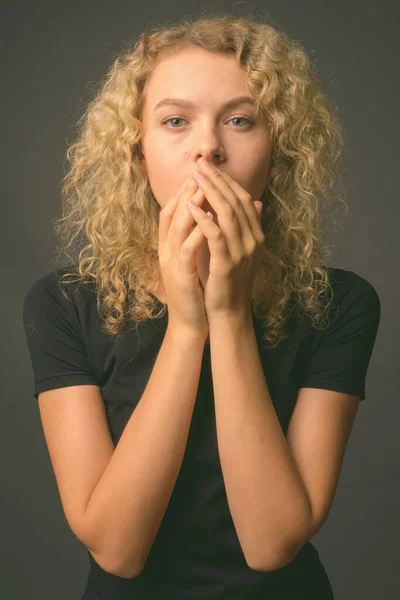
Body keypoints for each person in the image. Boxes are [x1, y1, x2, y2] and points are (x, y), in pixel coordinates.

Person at [22, 11, 381, 600]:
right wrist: (188, 325)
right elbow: (116, 549)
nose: (208, 148)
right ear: (136, 150)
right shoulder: (65, 302)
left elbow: (271, 545)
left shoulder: (340, 303)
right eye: (175, 121)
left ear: (280, 149)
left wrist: (230, 314)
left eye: (241, 120)